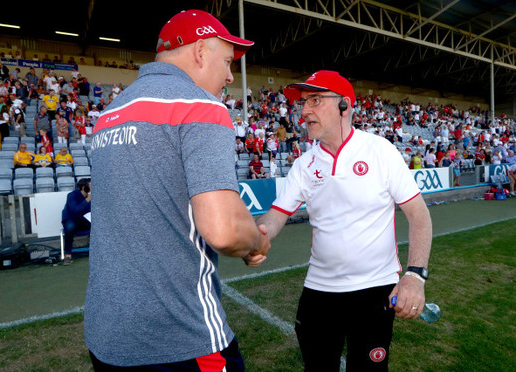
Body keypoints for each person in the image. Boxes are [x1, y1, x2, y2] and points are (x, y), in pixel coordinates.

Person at [84, 9, 270, 371]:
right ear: (201, 52)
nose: (231, 76)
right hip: (178, 337)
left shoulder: (109, 113)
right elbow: (225, 231)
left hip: (107, 336)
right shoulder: (200, 106)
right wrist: (257, 243)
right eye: (228, 61)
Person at [257, 70, 432, 371]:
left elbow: (419, 215)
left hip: (376, 291)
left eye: (314, 100)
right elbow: (275, 216)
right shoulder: (303, 165)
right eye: (302, 102)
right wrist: (256, 238)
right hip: (319, 292)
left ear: (344, 106)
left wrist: (415, 276)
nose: (303, 110)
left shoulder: (380, 151)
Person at [61, 178, 91, 265]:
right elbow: (75, 210)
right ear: (83, 187)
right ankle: (68, 255)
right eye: (90, 185)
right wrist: (88, 200)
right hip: (72, 219)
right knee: (70, 227)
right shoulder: (72, 195)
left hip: (84, 220)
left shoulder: (90, 196)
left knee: (99, 225)